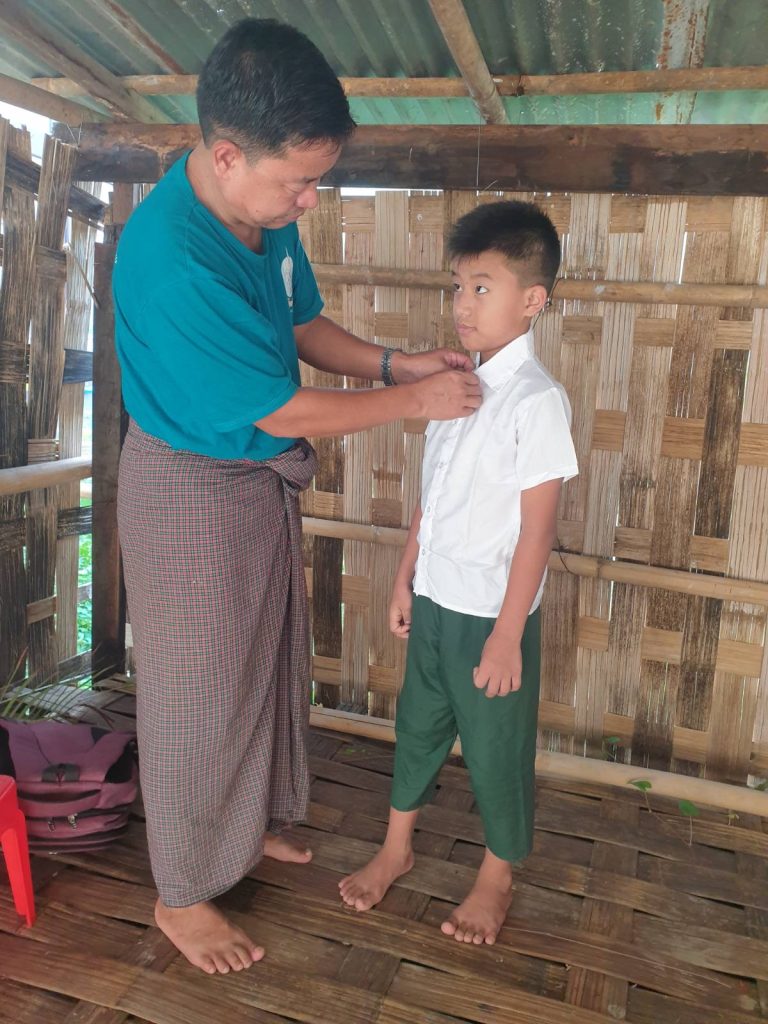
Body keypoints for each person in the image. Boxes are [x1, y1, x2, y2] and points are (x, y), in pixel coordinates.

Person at [113, 18, 482, 976]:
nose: (310, 202)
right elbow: (281, 407)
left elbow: (303, 324)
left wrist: (398, 360)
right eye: (298, 181)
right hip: (190, 489)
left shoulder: (261, 218)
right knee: (197, 695)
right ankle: (182, 892)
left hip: (249, 480)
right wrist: (411, 400)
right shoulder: (172, 261)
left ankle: (244, 831)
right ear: (226, 155)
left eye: (320, 177)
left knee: (263, 664)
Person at [339, 200, 579, 945]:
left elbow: (538, 533)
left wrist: (509, 636)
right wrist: (406, 574)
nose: (462, 304)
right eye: (457, 286)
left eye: (482, 286)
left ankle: (496, 876)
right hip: (437, 601)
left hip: (490, 616)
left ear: (532, 301)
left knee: (496, 747)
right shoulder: (456, 386)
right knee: (417, 727)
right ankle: (396, 849)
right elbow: (432, 499)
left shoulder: (538, 401)